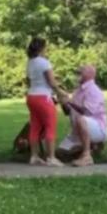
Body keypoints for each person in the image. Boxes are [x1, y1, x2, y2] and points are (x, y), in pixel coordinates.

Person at [25, 37, 70, 166]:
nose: (47, 49)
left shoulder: (30, 62)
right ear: (41, 48)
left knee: (35, 126)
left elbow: (28, 81)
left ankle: (34, 156)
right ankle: (51, 158)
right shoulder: (44, 63)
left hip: (31, 97)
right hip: (43, 98)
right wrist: (63, 93)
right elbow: (52, 83)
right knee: (50, 126)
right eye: (46, 47)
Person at [57, 65, 107, 167]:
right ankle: (92, 147)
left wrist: (70, 102)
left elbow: (86, 112)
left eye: (80, 72)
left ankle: (87, 156)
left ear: (90, 74)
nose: (77, 74)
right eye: (77, 72)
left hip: (97, 129)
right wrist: (63, 103)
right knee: (60, 153)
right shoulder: (78, 91)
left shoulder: (94, 90)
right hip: (77, 130)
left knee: (81, 119)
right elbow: (68, 112)